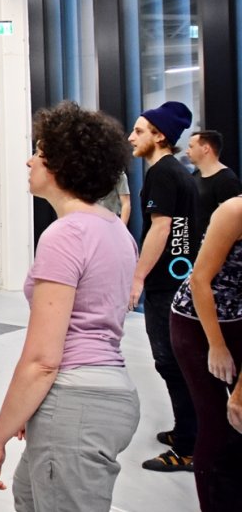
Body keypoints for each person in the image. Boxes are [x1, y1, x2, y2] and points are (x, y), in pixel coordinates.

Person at [0, 101, 140, 509]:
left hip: (76, 402)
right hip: (100, 393)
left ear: (63, 164)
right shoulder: (116, 231)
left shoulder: (65, 235)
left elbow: (43, 359)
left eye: (40, 152)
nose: (29, 160)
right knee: (29, 496)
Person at [128, 100, 200, 471]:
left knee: (171, 363)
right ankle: (188, 430)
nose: (131, 137)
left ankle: (189, 447)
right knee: (178, 362)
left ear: (159, 135)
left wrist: (138, 278)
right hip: (179, 279)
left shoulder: (162, 174)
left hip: (166, 286)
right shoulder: (178, 172)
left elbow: (163, 227)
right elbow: (182, 236)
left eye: (139, 131)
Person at [170, 196, 242, 510]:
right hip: (197, 323)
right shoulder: (234, 211)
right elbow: (200, 280)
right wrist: (217, 346)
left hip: (237, 320)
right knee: (216, 421)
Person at [186, 130, 242, 239]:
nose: (187, 151)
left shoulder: (226, 180)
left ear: (205, 149)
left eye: (191, 147)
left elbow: (232, 222)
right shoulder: (195, 175)